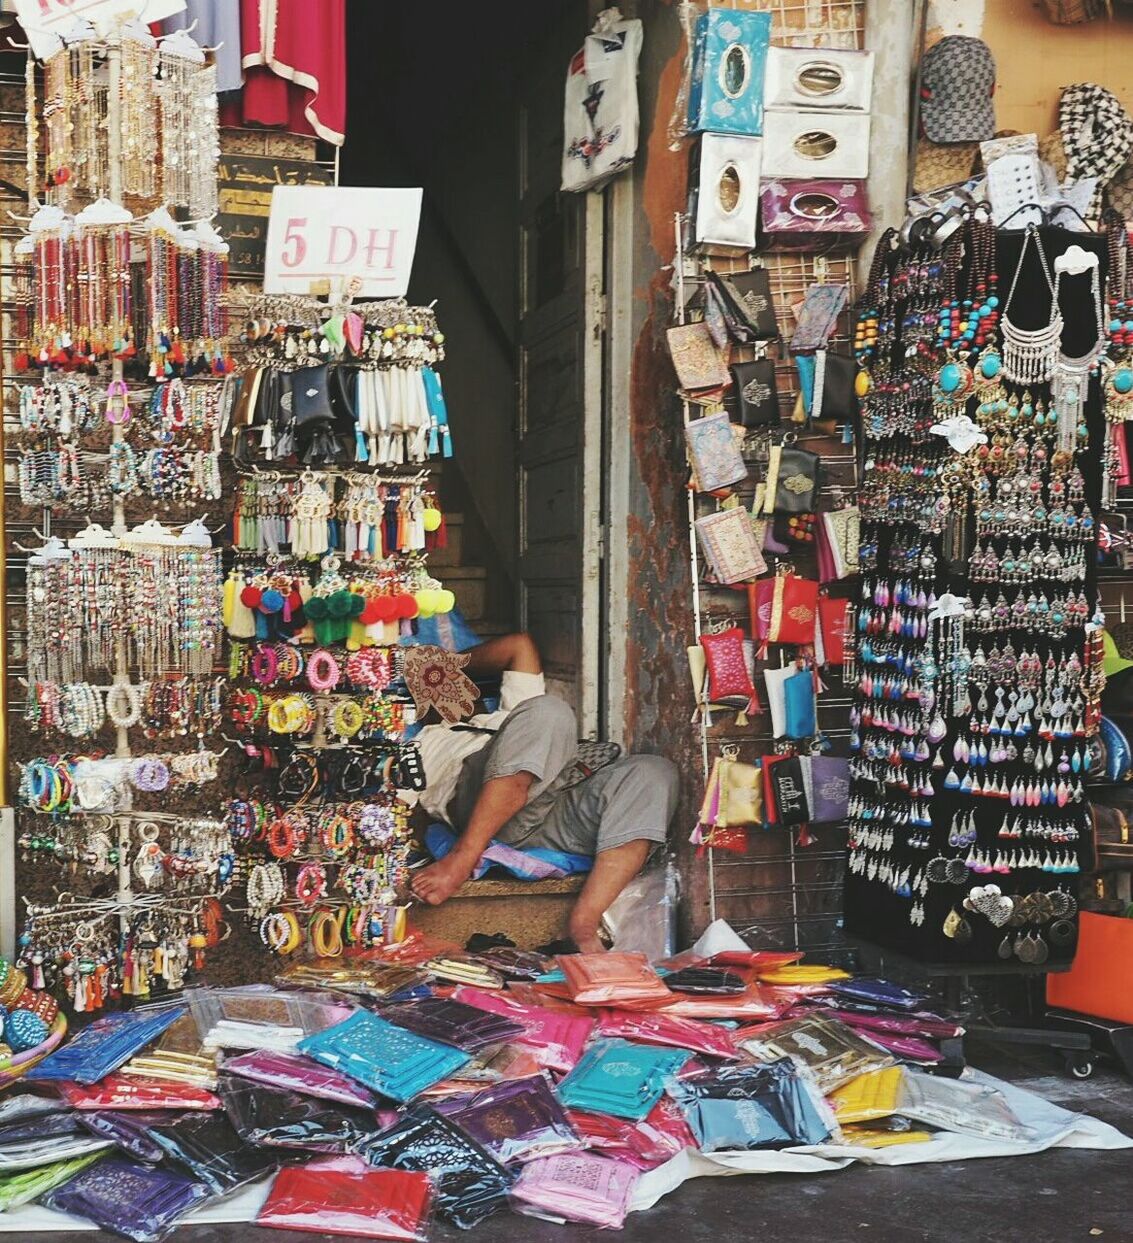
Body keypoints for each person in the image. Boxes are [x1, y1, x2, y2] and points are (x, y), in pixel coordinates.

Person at [409, 632, 678, 953]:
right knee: (550, 710)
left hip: (554, 804)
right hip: (481, 808)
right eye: (438, 689)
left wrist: (437, 666)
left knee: (652, 772)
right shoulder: (419, 744)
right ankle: (463, 857)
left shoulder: (507, 715)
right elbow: (404, 813)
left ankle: (583, 925)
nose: (450, 690)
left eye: (452, 682)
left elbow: (520, 645)